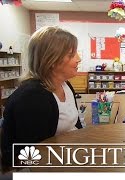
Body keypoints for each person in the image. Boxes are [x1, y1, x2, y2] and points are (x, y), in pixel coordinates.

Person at [1, 26, 82, 170]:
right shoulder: (32, 97)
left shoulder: (65, 84)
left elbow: (76, 125)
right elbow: (31, 157)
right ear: (51, 60)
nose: (79, 59)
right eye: (71, 55)